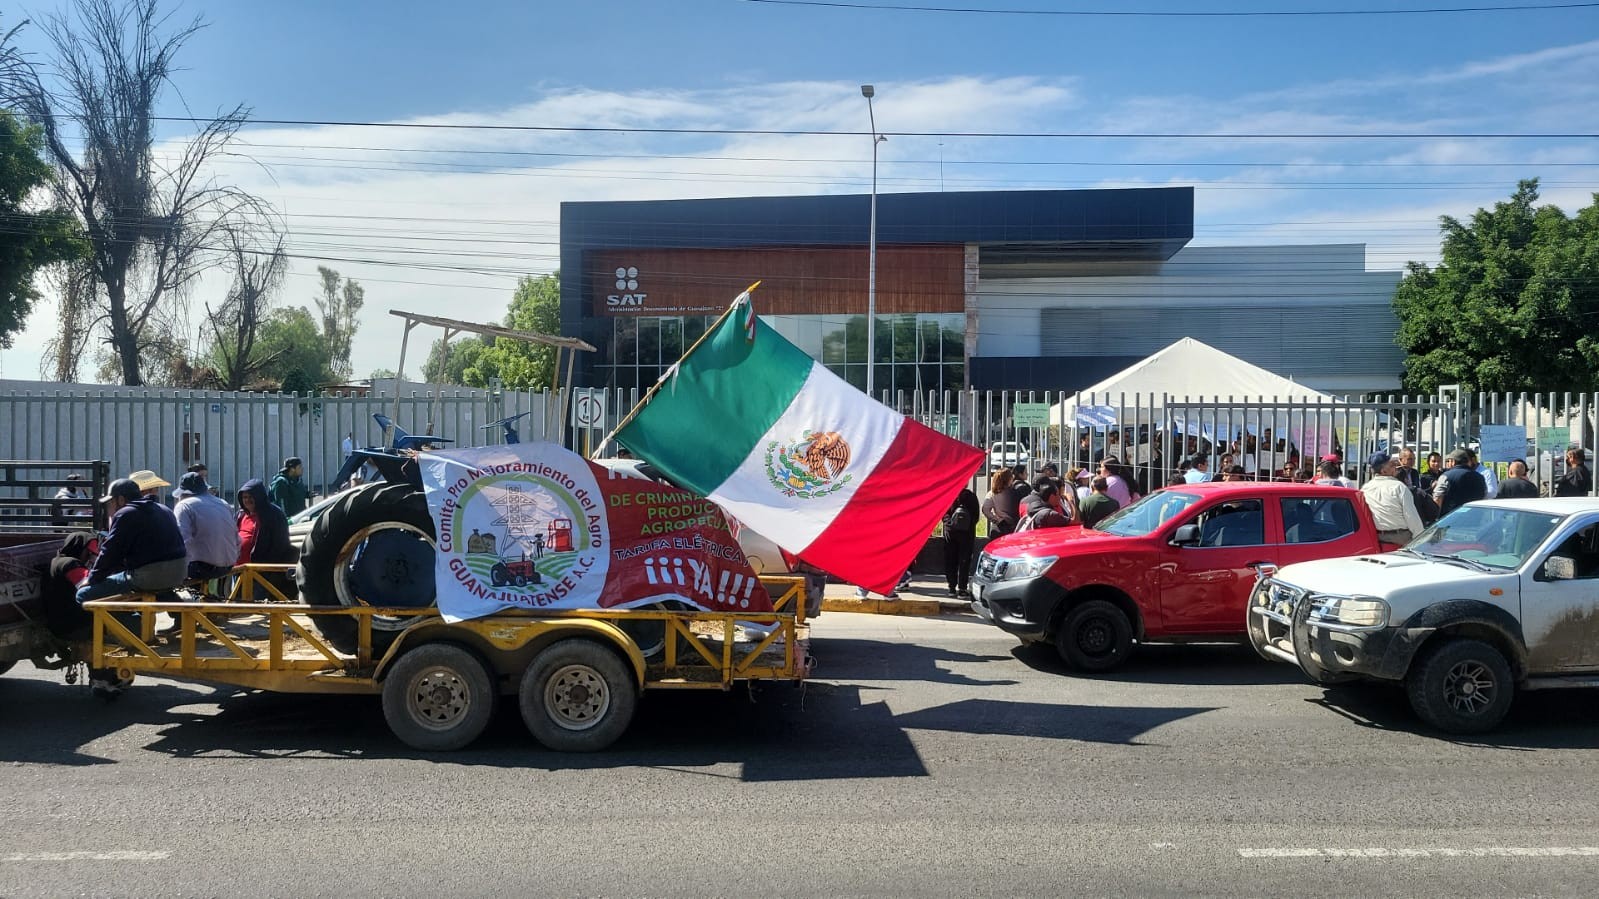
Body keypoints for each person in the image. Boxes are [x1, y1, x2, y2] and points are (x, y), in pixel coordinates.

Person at [75, 478, 187, 605]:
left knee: (84, 595)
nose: (110, 506)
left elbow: (111, 552)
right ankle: (181, 617)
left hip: (150, 576)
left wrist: (92, 579)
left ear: (121, 499)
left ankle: (133, 624)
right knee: (156, 585)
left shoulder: (125, 513)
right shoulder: (163, 509)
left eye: (111, 502)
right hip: (180, 572)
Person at [174, 471, 240, 582]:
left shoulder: (183, 506)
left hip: (202, 569)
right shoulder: (223, 503)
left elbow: (183, 541)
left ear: (183, 493)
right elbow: (236, 538)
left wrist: (180, 573)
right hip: (228, 567)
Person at [1361, 452, 1424, 546]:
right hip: (1401, 537)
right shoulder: (1399, 487)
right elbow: (1412, 518)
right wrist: (1421, 540)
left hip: (1376, 537)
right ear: (1383, 471)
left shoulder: (1365, 489)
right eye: (1391, 465)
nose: (1395, 467)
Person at [43, 532, 97, 640]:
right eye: (88, 553)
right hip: (73, 626)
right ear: (79, 548)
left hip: (62, 623)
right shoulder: (69, 563)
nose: (90, 557)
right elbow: (90, 585)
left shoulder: (57, 561)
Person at [237, 479, 294, 566]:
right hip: (237, 570)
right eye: (245, 497)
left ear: (259, 497)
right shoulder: (240, 515)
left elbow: (280, 546)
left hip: (260, 572)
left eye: (251, 497)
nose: (247, 500)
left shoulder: (273, 515)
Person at [941, 487, 979, 598]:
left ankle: (951, 588)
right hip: (967, 534)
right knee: (964, 560)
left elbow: (943, 513)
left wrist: (949, 524)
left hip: (950, 533)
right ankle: (962, 589)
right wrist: (968, 525)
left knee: (950, 560)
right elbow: (976, 516)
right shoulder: (971, 496)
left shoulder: (949, 494)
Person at [1433, 448, 1488, 515]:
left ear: (1453, 462)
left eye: (1449, 461)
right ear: (1468, 462)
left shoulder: (1446, 476)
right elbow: (1484, 495)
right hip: (1475, 518)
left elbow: (1438, 498)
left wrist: (1434, 517)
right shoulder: (1480, 477)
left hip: (1450, 519)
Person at [982, 468, 1019, 536]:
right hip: (1015, 525)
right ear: (1009, 479)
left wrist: (997, 520)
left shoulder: (992, 493)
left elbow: (985, 509)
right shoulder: (1014, 492)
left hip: (1001, 525)